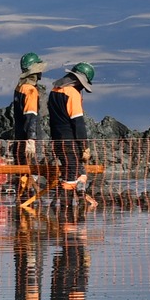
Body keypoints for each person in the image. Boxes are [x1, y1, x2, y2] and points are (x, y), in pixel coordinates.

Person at [48, 61, 96, 207]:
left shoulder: (54, 92)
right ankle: (65, 212)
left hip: (57, 140)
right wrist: (85, 146)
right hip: (70, 142)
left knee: (75, 172)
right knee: (71, 174)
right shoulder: (72, 94)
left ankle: (71, 205)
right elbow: (78, 123)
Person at [11, 53, 46, 162]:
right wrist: (31, 140)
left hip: (20, 138)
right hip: (29, 142)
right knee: (33, 171)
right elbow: (31, 116)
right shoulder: (30, 90)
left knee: (22, 172)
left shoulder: (20, 87)